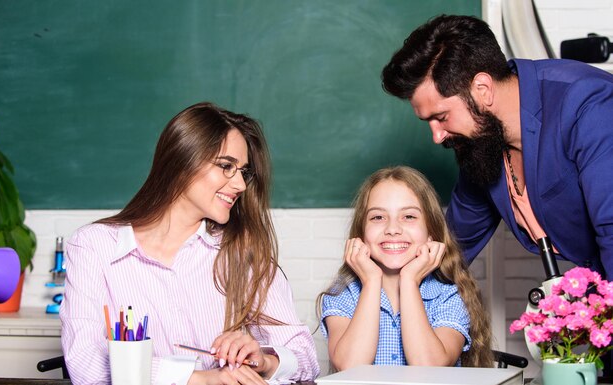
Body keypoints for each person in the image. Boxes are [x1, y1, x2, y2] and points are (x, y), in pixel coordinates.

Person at [60, 102, 320, 385]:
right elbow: (86, 364)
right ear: (184, 159)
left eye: (243, 171)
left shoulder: (241, 252)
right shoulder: (93, 247)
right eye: (225, 166)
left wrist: (264, 359)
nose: (241, 186)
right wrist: (199, 379)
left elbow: (305, 356)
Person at [381, 14, 613, 280]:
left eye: (441, 117)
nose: (437, 136)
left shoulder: (590, 106)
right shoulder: (483, 141)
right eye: (428, 121)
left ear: (482, 89)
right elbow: (452, 247)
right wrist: (386, 294)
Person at [317, 166, 493, 371]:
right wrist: (371, 280)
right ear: (362, 233)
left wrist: (409, 280)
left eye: (409, 216)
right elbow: (349, 366)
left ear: (431, 232)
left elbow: (429, 367)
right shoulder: (344, 294)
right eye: (378, 217)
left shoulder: (449, 295)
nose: (392, 229)